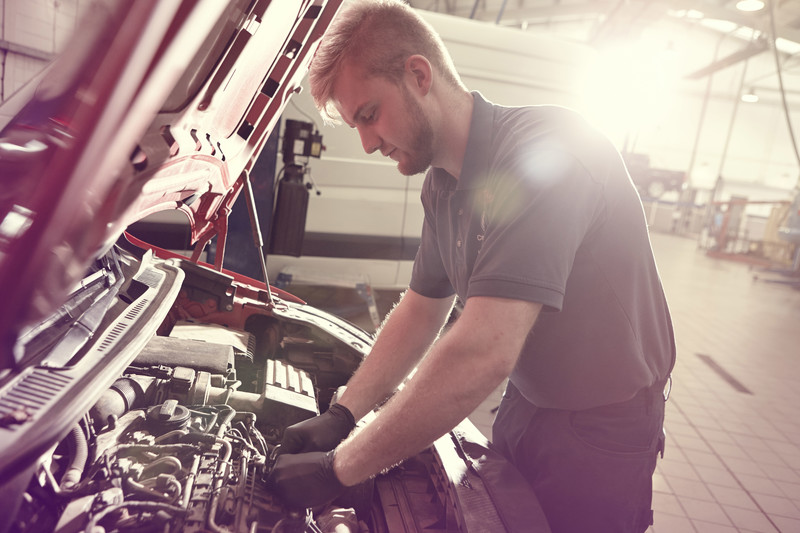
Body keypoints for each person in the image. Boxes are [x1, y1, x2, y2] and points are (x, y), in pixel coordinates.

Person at [270, 1, 676, 531]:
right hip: (527, 401)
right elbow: (420, 310)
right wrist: (343, 413)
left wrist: (340, 468)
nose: (367, 143)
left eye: (369, 114)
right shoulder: (443, 182)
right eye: (356, 126)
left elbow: (484, 350)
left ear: (418, 75)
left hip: (603, 424)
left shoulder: (547, 156)